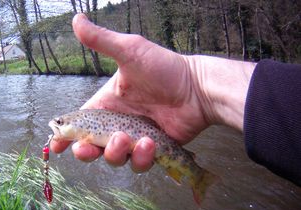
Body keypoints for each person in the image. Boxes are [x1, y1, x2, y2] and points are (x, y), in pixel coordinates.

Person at [51, 13, 301, 187]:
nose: (58, 126)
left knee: (156, 155)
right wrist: (197, 87)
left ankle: (197, 177)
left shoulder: (84, 124)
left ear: (78, 123)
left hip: (155, 137)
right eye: (60, 123)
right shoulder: (85, 127)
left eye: (61, 122)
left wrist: (194, 84)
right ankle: (195, 175)